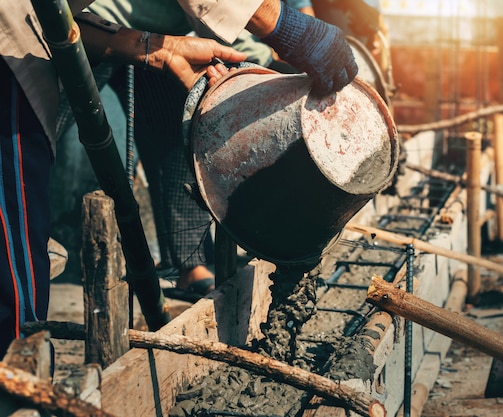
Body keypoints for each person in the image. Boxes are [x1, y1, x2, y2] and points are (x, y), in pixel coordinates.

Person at [1, 0, 357, 359]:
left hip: (72, 29)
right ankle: (14, 385)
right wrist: (284, 28)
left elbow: (56, 22)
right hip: (19, 40)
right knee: (15, 257)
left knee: (24, 225)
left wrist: (159, 48)